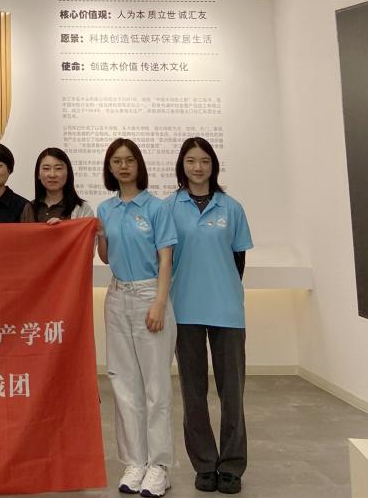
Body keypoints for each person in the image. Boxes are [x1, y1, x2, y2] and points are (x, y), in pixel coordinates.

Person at [167, 137, 252, 495]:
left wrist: (222, 287)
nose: (198, 167)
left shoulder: (231, 208)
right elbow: (163, 258)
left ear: (213, 165)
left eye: (204, 160)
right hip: (184, 309)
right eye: (191, 160)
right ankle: (204, 464)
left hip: (227, 310)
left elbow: (238, 259)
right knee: (193, 392)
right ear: (182, 165)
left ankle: (231, 465)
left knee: (232, 392)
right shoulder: (169, 207)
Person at [96, 138, 177, 498]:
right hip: (117, 296)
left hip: (149, 295)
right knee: (123, 383)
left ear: (139, 165)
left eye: (129, 160)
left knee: (155, 387)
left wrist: (159, 302)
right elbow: (105, 256)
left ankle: (159, 466)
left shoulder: (157, 207)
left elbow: (165, 260)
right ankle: (134, 462)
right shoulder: (106, 208)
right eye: (117, 161)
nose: (124, 166)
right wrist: (100, 236)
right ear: (109, 168)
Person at [20, 147, 94, 223]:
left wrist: (63, 228)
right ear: (38, 174)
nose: (52, 175)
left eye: (58, 168)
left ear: (68, 173)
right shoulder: (29, 208)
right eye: (46, 168)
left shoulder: (82, 209)